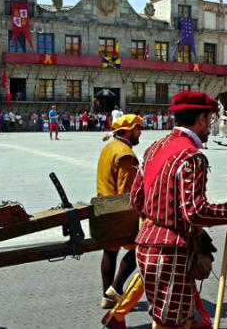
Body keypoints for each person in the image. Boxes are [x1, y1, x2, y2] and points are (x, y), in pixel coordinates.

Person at [130, 91, 227, 328]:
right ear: (201, 118)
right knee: (173, 323)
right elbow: (195, 212)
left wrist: (159, 217)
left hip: (145, 247)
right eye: (210, 120)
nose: (210, 126)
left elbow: (136, 200)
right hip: (171, 254)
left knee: (171, 320)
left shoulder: (154, 148)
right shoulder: (191, 157)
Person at [97, 114, 144, 328]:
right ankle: (115, 288)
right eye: (137, 129)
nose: (139, 132)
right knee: (140, 248)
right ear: (128, 130)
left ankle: (107, 296)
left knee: (110, 250)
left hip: (104, 206)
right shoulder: (126, 154)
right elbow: (127, 192)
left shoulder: (109, 147)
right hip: (119, 210)